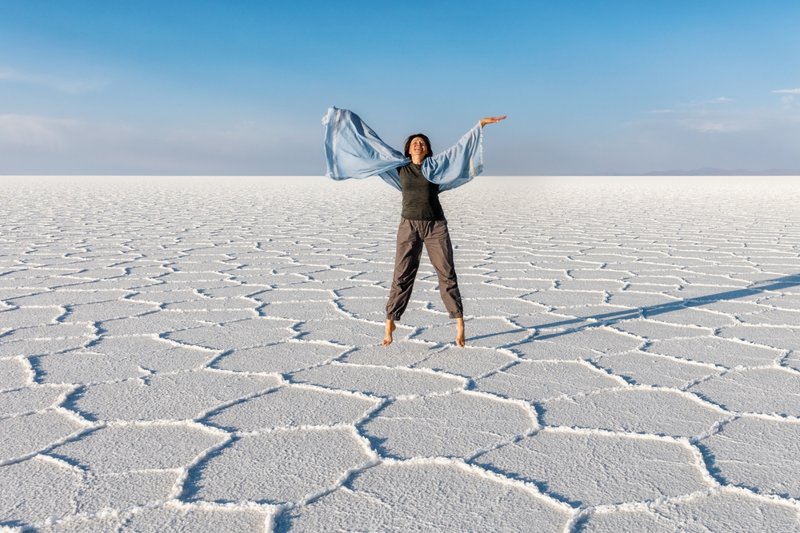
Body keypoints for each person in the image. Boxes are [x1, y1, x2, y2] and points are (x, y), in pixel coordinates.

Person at [321, 108, 506, 347]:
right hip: (408, 226)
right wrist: (343, 122)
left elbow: (457, 151)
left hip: (436, 226)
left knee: (446, 274)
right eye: (414, 143)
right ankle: (390, 322)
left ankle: (459, 322)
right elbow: (372, 146)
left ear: (427, 149)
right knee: (402, 275)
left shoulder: (437, 167)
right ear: (408, 149)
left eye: (422, 143)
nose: (418, 145)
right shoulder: (399, 167)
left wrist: (478, 126)